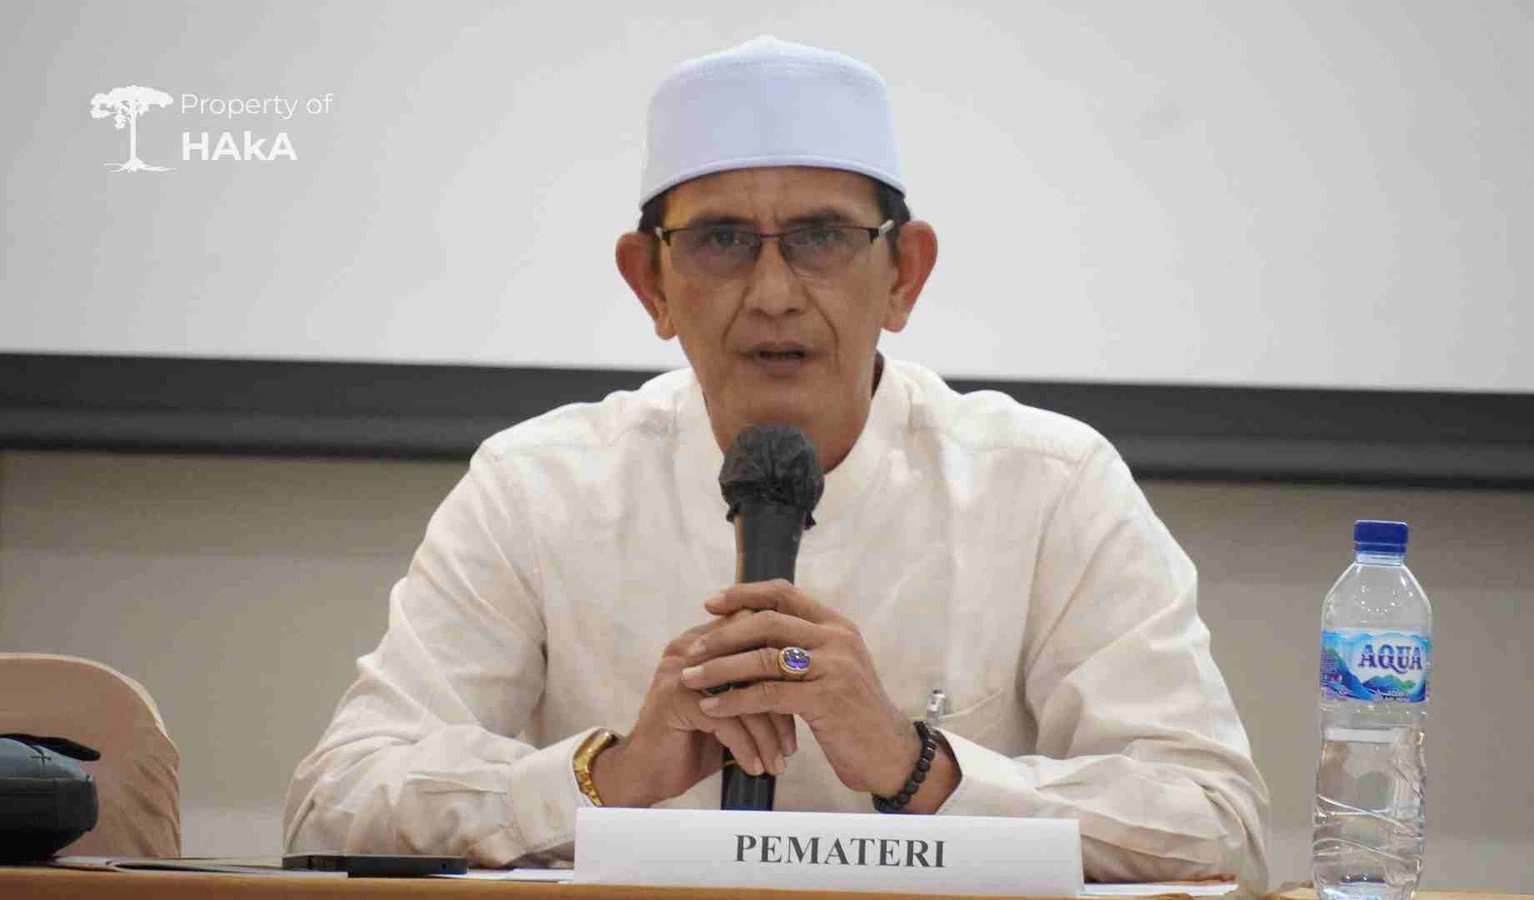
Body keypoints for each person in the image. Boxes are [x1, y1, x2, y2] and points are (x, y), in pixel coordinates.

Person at [283, 35, 1269, 886]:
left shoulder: (1048, 484)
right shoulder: (535, 488)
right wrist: (609, 776)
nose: (772, 294)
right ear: (650, 283)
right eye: (719, 240)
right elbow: (333, 803)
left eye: (821, 238)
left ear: (904, 274)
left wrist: (919, 767)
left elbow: (1216, 825)